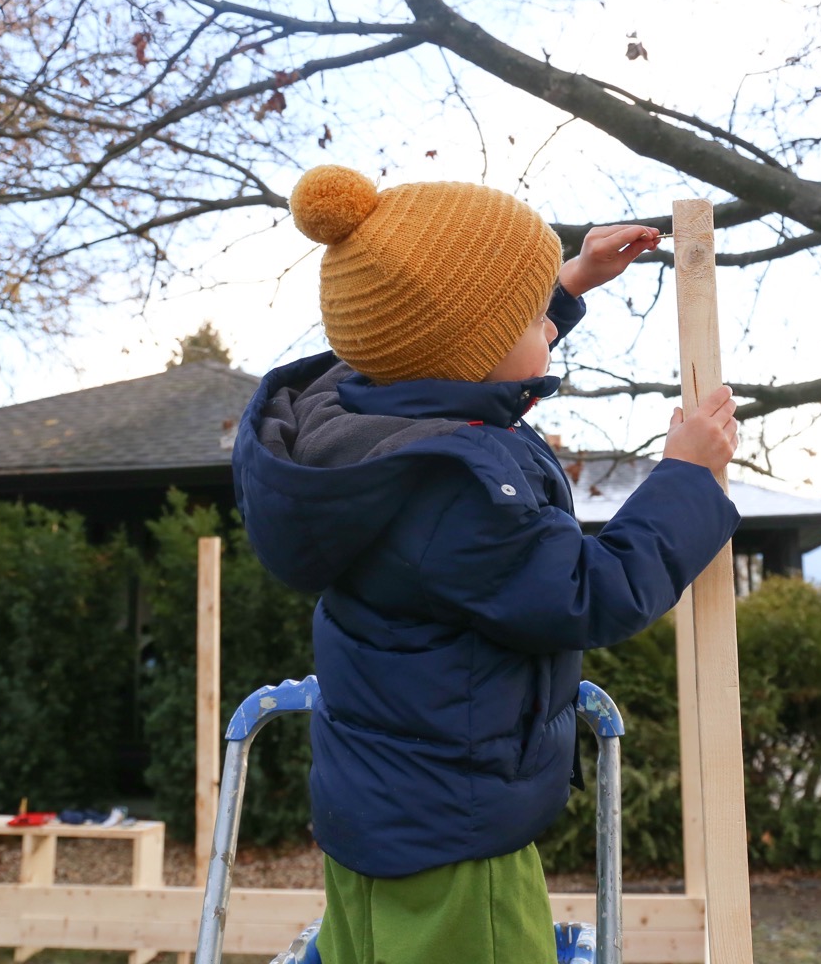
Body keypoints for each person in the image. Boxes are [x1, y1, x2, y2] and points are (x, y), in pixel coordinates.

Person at [232, 164, 740, 964]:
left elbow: (461, 364)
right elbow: (590, 592)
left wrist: (569, 283)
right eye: (536, 315)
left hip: (378, 822)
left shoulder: (363, 425)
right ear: (473, 348)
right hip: (456, 844)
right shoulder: (453, 498)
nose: (548, 329)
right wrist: (684, 478)